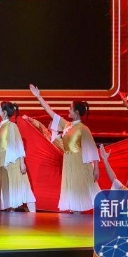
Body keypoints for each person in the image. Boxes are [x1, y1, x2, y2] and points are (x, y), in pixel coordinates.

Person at [29, 84, 100, 212]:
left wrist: (96, 169)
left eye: (70, 108)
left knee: (78, 187)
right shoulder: (67, 125)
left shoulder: (83, 129)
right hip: (68, 160)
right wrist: (39, 97)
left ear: (76, 112)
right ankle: (75, 212)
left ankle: (78, 212)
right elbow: (51, 113)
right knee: (71, 187)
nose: (68, 110)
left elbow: (92, 149)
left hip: (79, 162)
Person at [0, 102, 36, 212]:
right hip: (1, 161)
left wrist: (22, 162)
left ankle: (34, 215)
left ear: (4, 112)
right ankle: (10, 213)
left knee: (21, 187)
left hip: (12, 162)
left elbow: (19, 144)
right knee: (7, 189)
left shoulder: (12, 126)